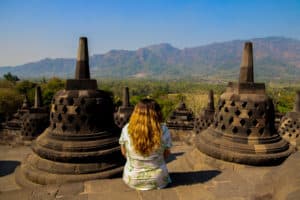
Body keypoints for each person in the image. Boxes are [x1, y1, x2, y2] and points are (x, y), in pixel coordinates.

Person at [119, 98, 172, 190]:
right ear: (157, 113)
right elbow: (166, 155)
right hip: (159, 179)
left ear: (135, 113)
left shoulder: (127, 129)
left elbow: (124, 153)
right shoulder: (163, 130)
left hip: (132, 179)